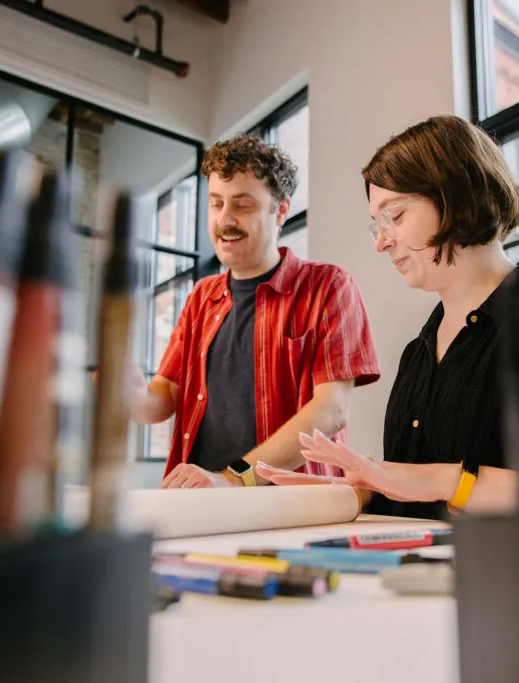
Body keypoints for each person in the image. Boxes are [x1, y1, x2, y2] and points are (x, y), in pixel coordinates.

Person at [257, 114, 519, 519]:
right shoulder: (417, 354)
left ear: (457, 196)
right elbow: (415, 494)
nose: (382, 242)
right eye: (377, 225)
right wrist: (356, 491)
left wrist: (440, 480)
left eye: (396, 215)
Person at [129, 135, 381, 488]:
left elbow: (333, 409)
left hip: (292, 508)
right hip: (198, 498)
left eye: (242, 205)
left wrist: (234, 478)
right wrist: (130, 395)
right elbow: (162, 399)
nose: (224, 219)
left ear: (280, 210)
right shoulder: (201, 297)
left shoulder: (328, 286)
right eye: (217, 204)